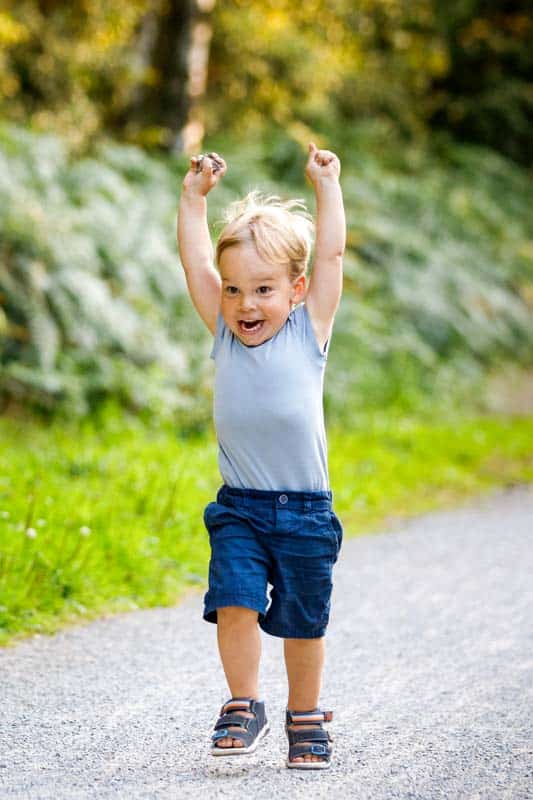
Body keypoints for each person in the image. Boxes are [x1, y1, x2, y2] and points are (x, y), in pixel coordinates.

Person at [177, 141, 345, 769]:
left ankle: (306, 714)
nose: (246, 304)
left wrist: (328, 187)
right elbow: (197, 265)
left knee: (304, 622)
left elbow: (330, 253)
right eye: (236, 290)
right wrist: (192, 201)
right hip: (240, 509)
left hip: (305, 512)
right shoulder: (223, 332)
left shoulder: (310, 331)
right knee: (233, 600)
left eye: (264, 290)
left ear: (296, 290)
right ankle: (244, 702)